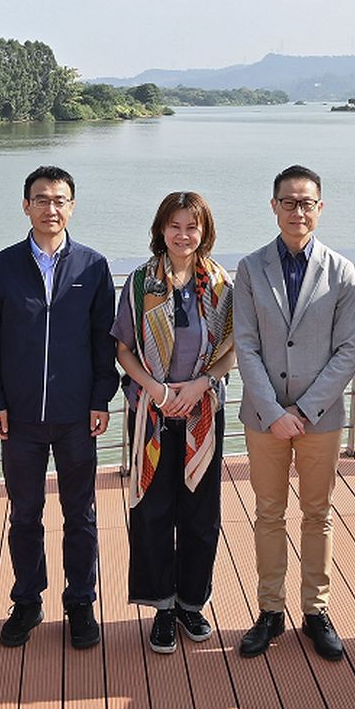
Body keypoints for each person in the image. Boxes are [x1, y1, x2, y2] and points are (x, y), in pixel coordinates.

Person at [0, 166, 116, 650]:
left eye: (59, 200)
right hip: (19, 418)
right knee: (25, 514)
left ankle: (80, 601)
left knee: (80, 514)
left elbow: (106, 341)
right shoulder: (2, 267)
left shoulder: (93, 267)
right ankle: (28, 600)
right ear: (26, 206)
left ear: (71, 206)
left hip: (78, 416)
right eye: (41, 199)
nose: (50, 208)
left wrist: (101, 397)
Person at [231, 165, 355, 661]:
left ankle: (316, 610)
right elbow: (245, 345)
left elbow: (348, 350)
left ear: (320, 208)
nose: (298, 211)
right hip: (264, 418)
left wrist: (303, 411)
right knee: (268, 513)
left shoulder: (341, 270)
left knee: (317, 514)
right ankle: (269, 611)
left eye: (307, 202)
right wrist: (274, 410)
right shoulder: (250, 267)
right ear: (274, 206)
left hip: (320, 419)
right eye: (289, 202)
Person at [113, 192, 235, 655]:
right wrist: (159, 390)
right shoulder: (142, 282)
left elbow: (233, 349)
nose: (183, 236)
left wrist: (201, 384)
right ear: (160, 229)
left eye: (193, 227)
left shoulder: (221, 284)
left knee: (201, 514)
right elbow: (123, 347)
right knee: (153, 509)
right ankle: (162, 607)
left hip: (202, 409)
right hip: (152, 410)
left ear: (205, 232)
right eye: (175, 226)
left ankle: (191, 602)